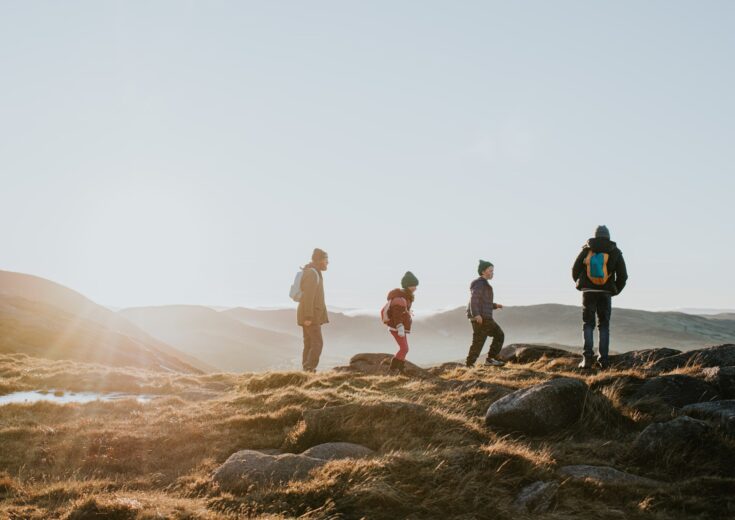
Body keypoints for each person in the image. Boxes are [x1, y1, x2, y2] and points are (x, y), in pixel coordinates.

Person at [572, 226, 628, 369]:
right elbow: (623, 276)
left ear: (595, 236)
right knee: (603, 325)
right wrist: (614, 290)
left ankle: (587, 360)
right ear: (608, 236)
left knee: (588, 324)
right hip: (605, 292)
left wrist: (581, 284)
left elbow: (575, 269)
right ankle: (603, 360)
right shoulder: (615, 251)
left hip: (588, 292)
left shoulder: (586, 250)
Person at [466, 260, 505, 367]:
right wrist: (476, 315)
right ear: (483, 271)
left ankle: (471, 364)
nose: (492, 273)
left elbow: (484, 302)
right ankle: (489, 360)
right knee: (497, 335)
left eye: (493, 271)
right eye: (490, 270)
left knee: (480, 341)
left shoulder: (483, 284)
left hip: (483, 317)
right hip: (481, 317)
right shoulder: (479, 283)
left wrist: (495, 305)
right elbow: (474, 299)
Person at [297, 248, 329, 372]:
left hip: (310, 315)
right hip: (310, 316)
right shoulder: (312, 273)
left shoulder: (314, 272)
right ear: (320, 260)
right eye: (326, 260)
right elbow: (308, 296)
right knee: (317, 343)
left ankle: (306, 370)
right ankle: (310, 369)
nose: (328, 263)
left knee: (309, 343)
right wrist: (309, 317)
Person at [383, 271, 419, 375]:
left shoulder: (406, 297)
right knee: (404, 348)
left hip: (400, 327)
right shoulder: (400, 298)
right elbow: (396, 315)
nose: (415, 288)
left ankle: (400, 369)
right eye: (414, 285)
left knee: (405, 349)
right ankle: (393, 369)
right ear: (408, 285)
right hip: (397, 328)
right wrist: (400, 327)